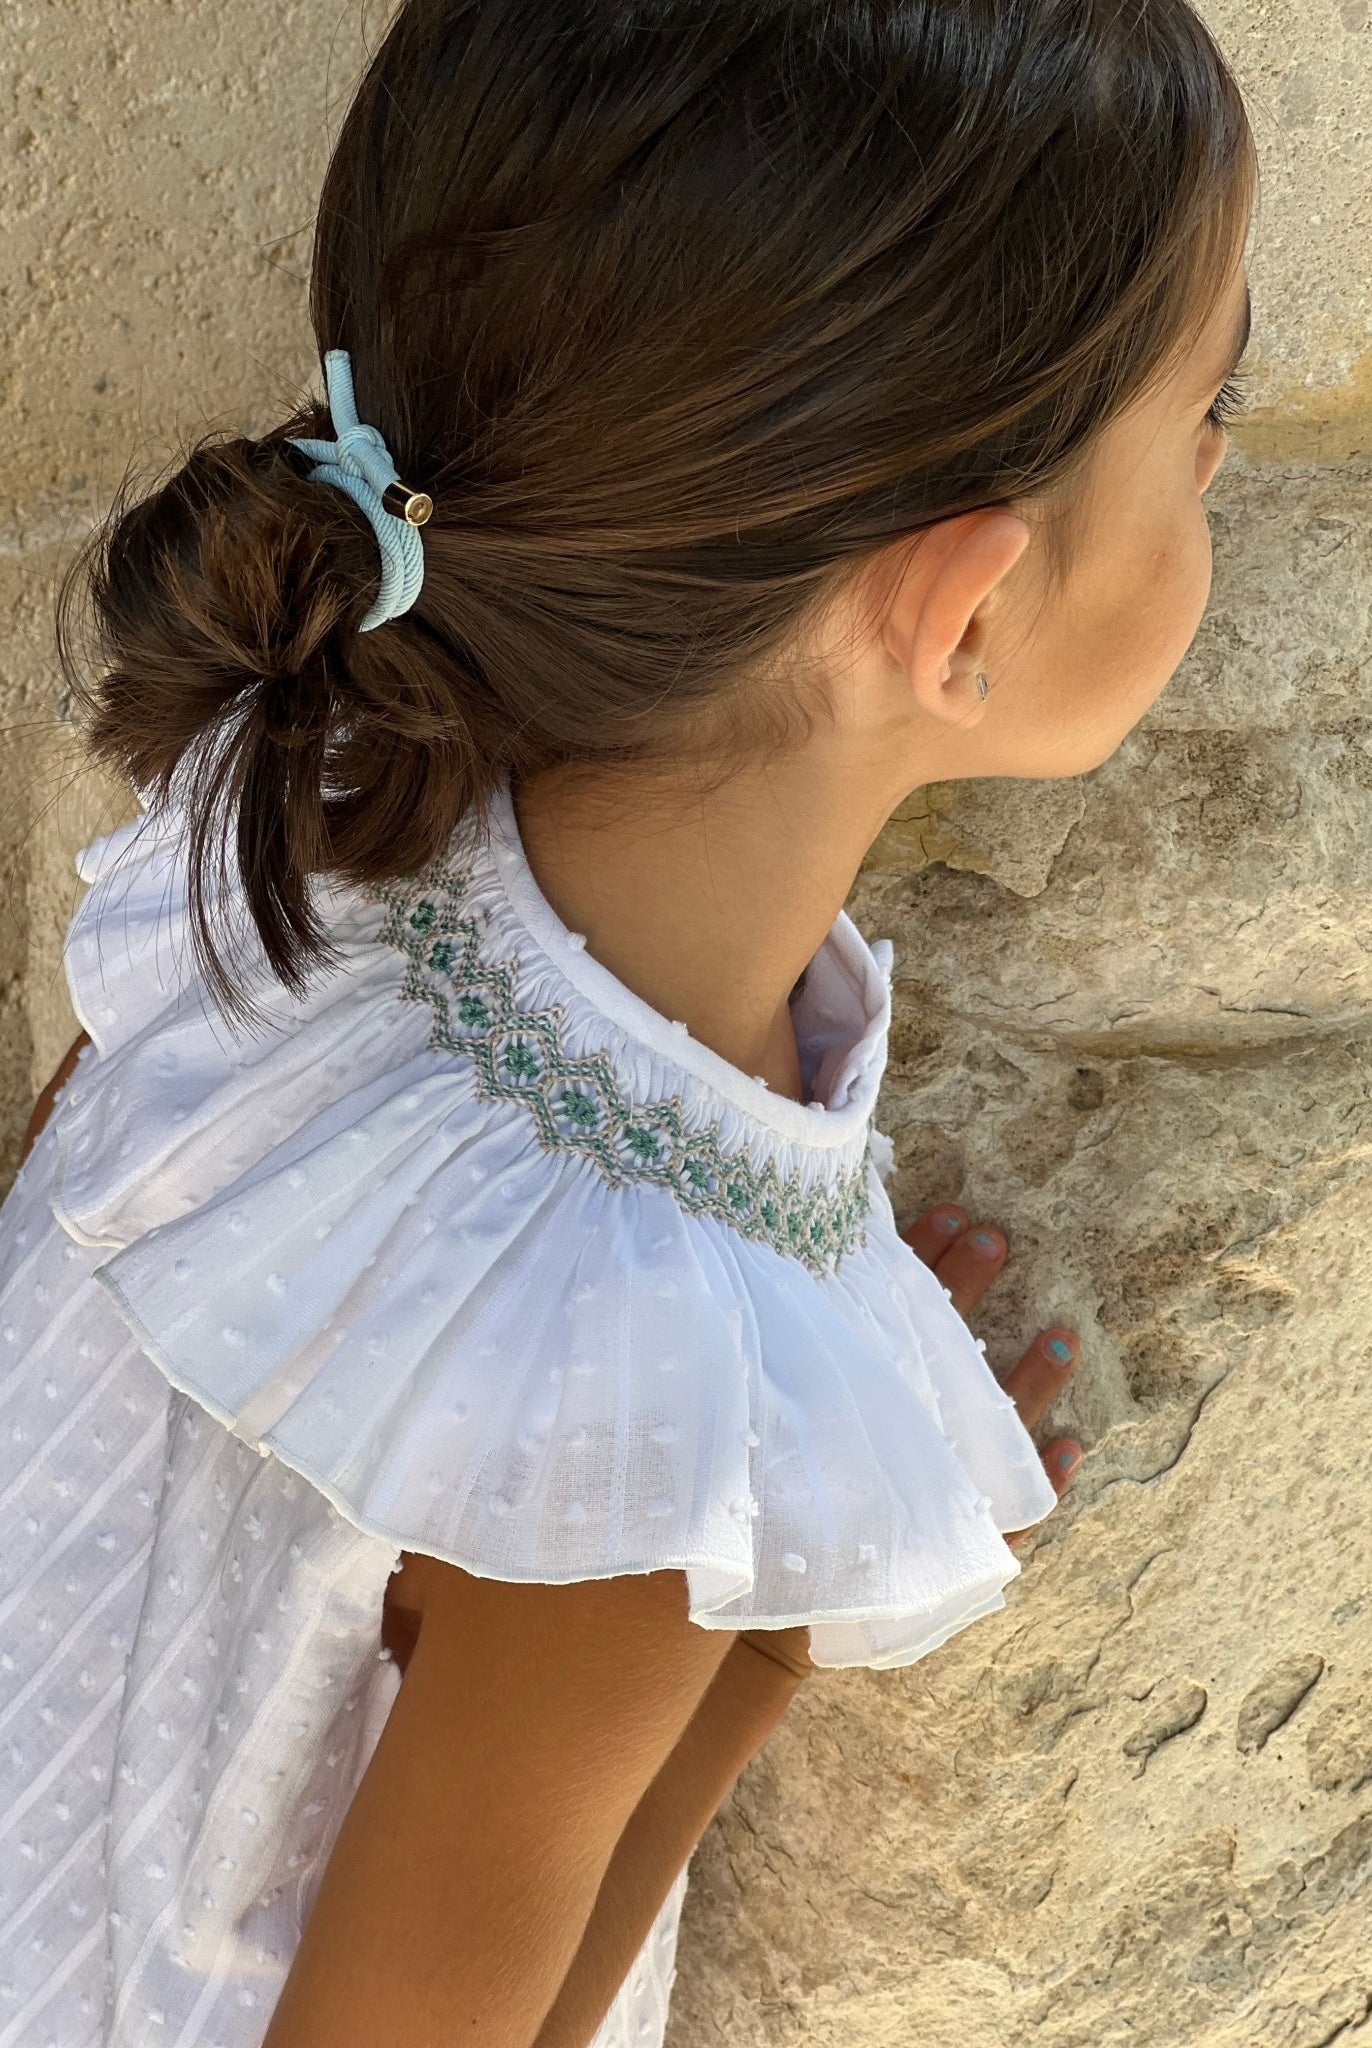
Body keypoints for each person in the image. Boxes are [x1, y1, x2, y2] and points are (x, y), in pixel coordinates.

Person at [0, 0, 1258, 2042]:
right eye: (1206, 414)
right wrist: (753, 1570)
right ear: (957, 617)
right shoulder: (648, 1372)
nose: (1218, 458)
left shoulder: (286, 815)